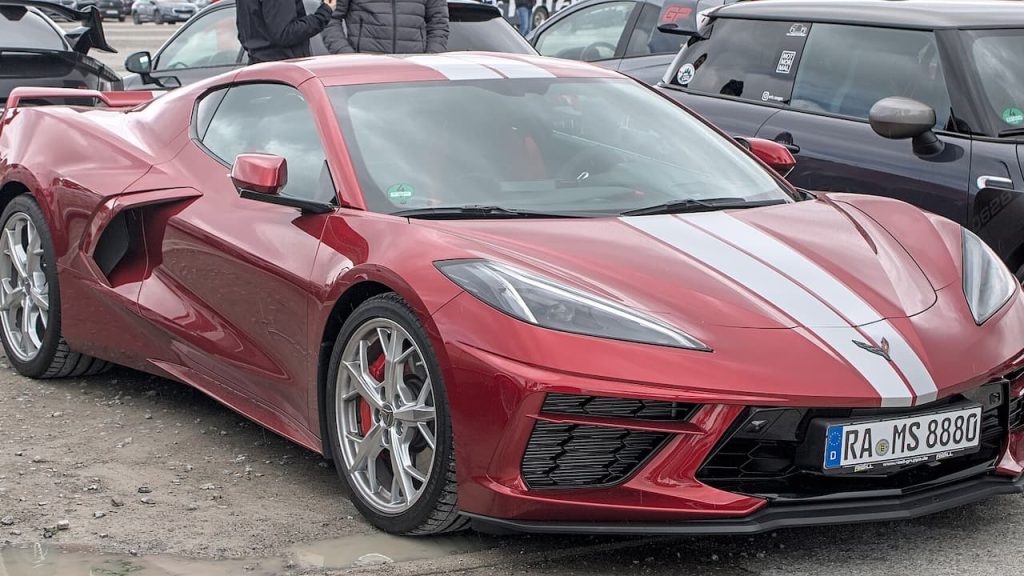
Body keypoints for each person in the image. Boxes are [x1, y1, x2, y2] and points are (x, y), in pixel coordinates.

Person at [321, 0, 449, 54]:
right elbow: (329, 18)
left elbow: (438, 23)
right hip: (363, 74)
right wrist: (346, 56)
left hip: (414, 72)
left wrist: (431, 57)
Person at [237, 0, 335, 64]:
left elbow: (243, 35)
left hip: (255, 69)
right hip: (283, 71)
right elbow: (285, 33)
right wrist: (323, 14)